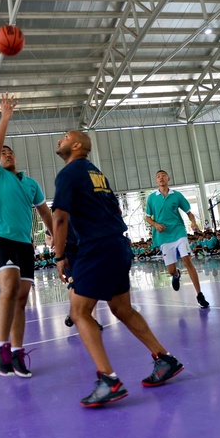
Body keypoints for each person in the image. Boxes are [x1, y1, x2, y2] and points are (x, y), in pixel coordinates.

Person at [52, 130, 184, 407]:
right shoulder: (95, 173)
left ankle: (108, 380)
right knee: (121, 308)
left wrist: (60, 255)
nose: (59, 140)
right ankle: (165, 359)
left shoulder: (68, 174)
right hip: (117, 245)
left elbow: (60, 218)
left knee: (79, 312)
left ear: (77, 145)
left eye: (64, 136)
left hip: (96, 249)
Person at [0, 94, 54, 378]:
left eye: (10, 152)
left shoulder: (31, 183)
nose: (7, 154)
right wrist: (5, 118)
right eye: (3, 152)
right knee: (10, 287)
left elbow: (45, 213)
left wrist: (53, 235)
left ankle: (16, 353)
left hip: (26, 244)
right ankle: (1, 347)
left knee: (22, 299)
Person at [144, 170, 209, 308]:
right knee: (171, 270)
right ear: (156, 181)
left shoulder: (177, 195)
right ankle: (176, 274)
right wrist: (155, 224)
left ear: (168, 178)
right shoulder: (152, 198)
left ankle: (199, 295)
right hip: (163, 235)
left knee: (187, 260)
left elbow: (189, 213)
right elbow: (148, 217)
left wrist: (193, 222)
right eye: (158, 177)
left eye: (163, 176)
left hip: (179, 231)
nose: (160, 178)